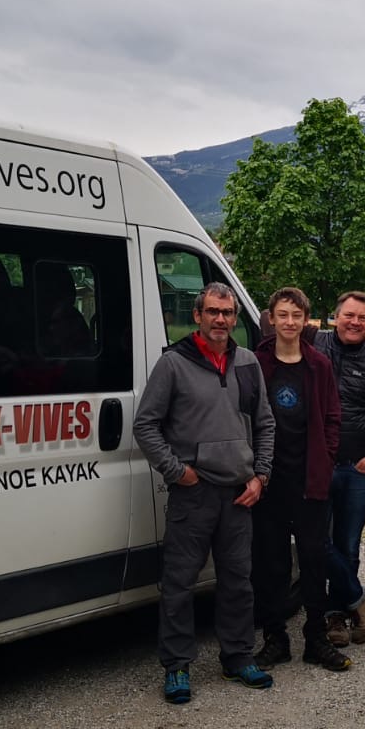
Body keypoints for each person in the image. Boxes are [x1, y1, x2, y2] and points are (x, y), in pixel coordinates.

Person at [133, 283, 275, 705]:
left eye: (228, 313)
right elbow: (145, 425)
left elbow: (264, 422)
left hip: (239, 494)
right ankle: (177, 666)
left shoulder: (247, 362)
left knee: (238, 582)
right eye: (213, 311)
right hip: (193, 494)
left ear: (235, 318)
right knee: (179, 583)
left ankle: (238, 657)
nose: (221, 320)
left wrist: (261, 476)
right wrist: (178, 471)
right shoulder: (174, 364)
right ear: (197, 316)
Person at [251, 287, 352, 673]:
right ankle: (275, 639)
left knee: (312, 560)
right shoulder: (256, 363)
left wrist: (325, 459)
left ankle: (316, 639)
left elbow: (332, 417)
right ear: (271, 318)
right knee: (271, 563)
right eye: (283, 315)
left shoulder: (318, 365)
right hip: (269, 481)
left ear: (306, 320)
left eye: (297, 315)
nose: (290, 322)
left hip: (309, 479)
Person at [314, 291, 365, 647]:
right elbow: (273, 323)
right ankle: (361, 598)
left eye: (362, 317)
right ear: (335, 316)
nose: (355, 322)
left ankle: (337, 617)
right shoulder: (314, 343)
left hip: (357, 466)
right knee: (316, 539)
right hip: (318, 464)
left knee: (348, 543)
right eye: (349, 315)